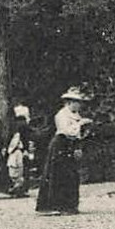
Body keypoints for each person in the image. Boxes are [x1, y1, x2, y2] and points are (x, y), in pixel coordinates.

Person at [36, 87, 91, 215]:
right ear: (68, 102)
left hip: (71, 145)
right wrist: (80, 125)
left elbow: (77, 134)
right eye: (76, 102)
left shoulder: (76, 115)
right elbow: (67, 131)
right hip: (60, 144)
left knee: (72, 174)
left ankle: (70, 205)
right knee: (59, 174)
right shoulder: (61, 115)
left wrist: (79, 144)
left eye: (79, 102)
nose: (79, 104)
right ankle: (57, 205)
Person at [3, 106, 33, 198]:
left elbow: (8, 137)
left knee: (13, 168)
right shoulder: (24, 125)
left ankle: (12, 187)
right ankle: (21, 189)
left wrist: (5, 147)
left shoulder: (12, 124)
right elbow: (26, 138)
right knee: (21, 168)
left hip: (12, 149)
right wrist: (26, 150)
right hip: (20, 149)